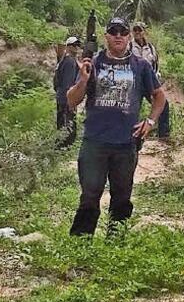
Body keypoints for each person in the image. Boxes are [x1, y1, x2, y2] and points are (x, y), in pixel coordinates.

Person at [66, 17, 167, 237]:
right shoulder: (93, 63)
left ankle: (116, 242)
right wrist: (83, 80)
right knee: (90, 195)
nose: (118, 35)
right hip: (95, 143)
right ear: (106, 37)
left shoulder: (141, 66)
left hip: (126, 143)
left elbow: (159, 97)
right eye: (113, 31)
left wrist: (150, 121)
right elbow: (71, 101)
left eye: (123, 31)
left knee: (122, 197)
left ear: (129, 36)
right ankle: (80, 243)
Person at [130, 21, 171, 139]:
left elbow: (155, 65)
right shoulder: (130, 47)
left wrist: (156, 79)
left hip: (149, 82)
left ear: (144, 32)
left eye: (140, 30)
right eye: (135, 30)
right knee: (131, 107)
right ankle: (132, 133)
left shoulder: (151, 48)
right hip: (134, 82)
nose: (137, 33)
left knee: (163, 105)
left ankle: (163, 135)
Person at [53, 36, 81, 149]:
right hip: (67, 98)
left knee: (62, 122)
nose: (77, 47)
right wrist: (71, 100)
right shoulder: (70, 61)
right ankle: (65, 146)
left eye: (78, 45)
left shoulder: (65, 59)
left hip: (61, 96)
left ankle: (62, 146)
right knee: (67, 122)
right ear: (68, 47)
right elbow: (68, 83)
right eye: (74, 45)